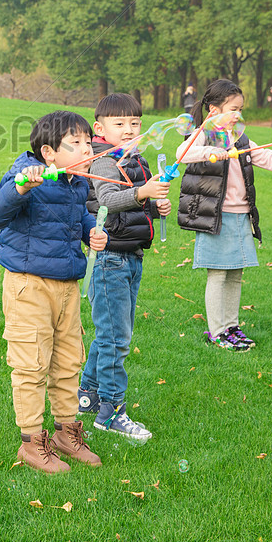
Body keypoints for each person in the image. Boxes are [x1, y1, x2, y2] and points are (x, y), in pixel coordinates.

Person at [0, 111, 108, 473]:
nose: (87, 147)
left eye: (89, 142)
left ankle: (67, 433)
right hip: (29, 284)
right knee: (31, 363)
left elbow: (78, 217)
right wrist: (21, 188)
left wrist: (93, 233)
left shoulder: (76, 181)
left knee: (69, 361)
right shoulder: (26, 176)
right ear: (50, 153)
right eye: (77, 143)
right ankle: (31, 442)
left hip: (67, 285)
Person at [174, 79, 272, 351]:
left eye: (240, 109)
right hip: (216, 217)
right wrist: (213, 150)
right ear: (213, 110)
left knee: (235, 274)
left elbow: (266, 158)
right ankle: (216, 331)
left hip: (241, 216)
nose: (238, 114)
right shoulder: (205, 134)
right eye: (233, 109)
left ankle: (231, 327)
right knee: (218, 275)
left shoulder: (240, 138)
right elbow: (182, 153)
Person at [77, 93, 170, 443]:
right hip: (110, 259)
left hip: (131, 256)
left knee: (112, 333)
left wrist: (156, 206)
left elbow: (134, 209)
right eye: (120, 124)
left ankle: (87, 394)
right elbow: (106, 200)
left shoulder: (134, 159)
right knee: (117, 339)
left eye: (135, 123)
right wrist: (143, 192)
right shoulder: (104, 160)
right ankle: (112, 413)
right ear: (100, 128)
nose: (129, 129)